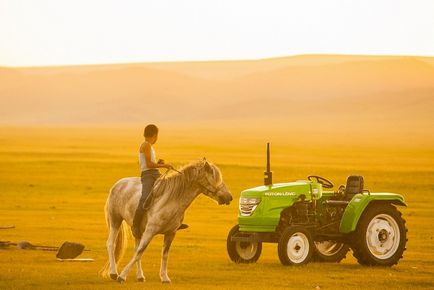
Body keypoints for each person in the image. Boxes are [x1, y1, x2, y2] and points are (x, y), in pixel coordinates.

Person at [131, 124, 187, 239]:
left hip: (154, 174)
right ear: (155, 135)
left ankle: (174, 222)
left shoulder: (149, 146)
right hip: (148, 175)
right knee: (145, 197)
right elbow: (148, 165)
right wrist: (164, 165)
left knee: (170, 192)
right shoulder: (146, 145)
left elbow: (152, 163)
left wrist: (159, 163)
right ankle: (135, 225)